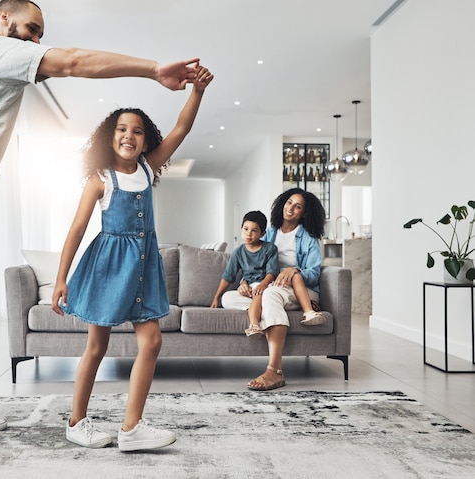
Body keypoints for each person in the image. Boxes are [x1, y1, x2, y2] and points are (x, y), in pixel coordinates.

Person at [0, 0, 201, 470]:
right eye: (31, 30)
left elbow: (174, 133)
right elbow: (72, 61)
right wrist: (154, 70)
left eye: (40, 34)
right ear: (2, 19)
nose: (36, 41)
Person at [51, 65, 213, 452]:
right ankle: (77, 421)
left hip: (143, 266)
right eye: (122, 129)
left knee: (152, 341)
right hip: (108, 267)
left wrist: (198, 92)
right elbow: (76, 230)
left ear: (145, 141)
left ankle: (131, 427)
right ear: (111, 137)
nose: (129, 135)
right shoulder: (100, 179)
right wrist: (61, 278)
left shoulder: (147, 166)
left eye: (138, 131)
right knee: (96, 347)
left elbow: (181, 129)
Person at [221, 188, 326, 391]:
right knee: (229, 298)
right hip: (270, 287)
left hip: (298, 287)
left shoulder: (308, 238)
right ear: (282, 204)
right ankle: (274, 308)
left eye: (298, 206)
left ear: (304, 213)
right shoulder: (268, 233)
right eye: (289, 202)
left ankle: (274, 371)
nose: (291, 208)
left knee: (269, 294)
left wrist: (294, 271)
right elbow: (254, 265)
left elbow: (314, 274)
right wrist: (244, 282)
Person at [210, 211, 279, 337]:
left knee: (259, 292)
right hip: (250, 290)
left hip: (267, 286)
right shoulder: (238, 252)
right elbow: (228, 276)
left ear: (262, 233)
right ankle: (262, 308)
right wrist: (216, 298)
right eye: (246, 229)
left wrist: (262, 285)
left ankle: (254, 325)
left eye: (254, 230)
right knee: (227, 299)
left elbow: (272, 272)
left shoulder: (270, 248)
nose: (249, 234)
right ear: (241, 229)